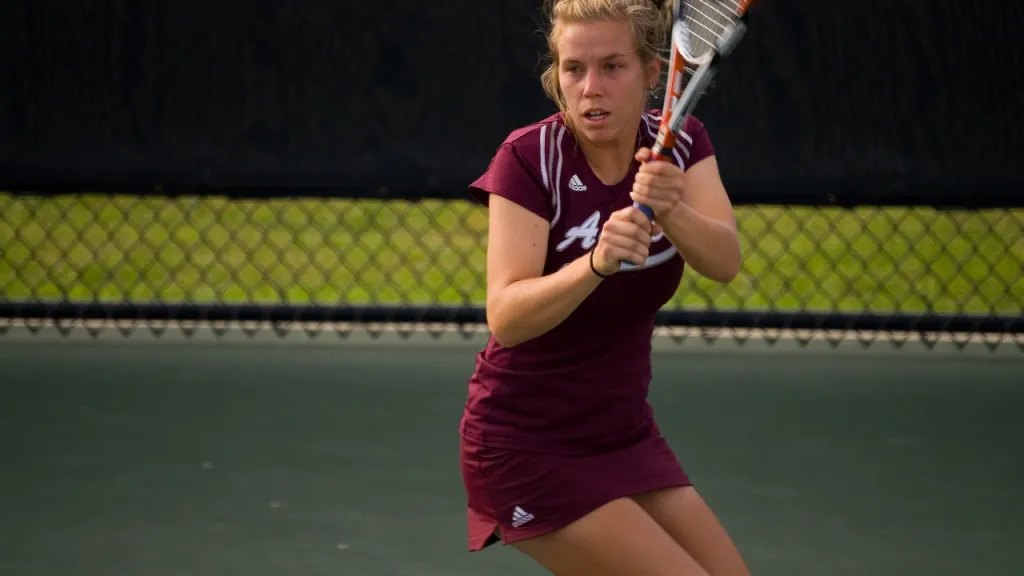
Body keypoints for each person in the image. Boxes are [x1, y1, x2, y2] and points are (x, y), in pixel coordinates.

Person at [459, 0, 749, 574]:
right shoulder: (527, 158)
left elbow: (725, 261)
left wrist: (674, 212)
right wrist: (594, 264)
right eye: (574, 68)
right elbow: (506, 316)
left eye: (612, 66)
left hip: (622, 433)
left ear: (650, 73)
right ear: (556, 75)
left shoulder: (683, 142)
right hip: (524, 444)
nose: (590, 87)